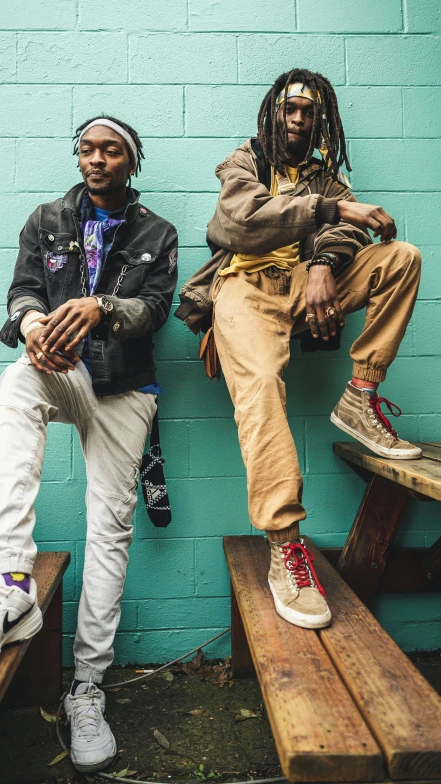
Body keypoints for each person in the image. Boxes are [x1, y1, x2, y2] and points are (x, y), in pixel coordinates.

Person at [0, 115, 178, 774]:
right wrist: (32, 321)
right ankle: (9, 588)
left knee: (110, 529)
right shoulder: (45, 220)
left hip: (126, 390)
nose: (97, 159)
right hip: (59, 369)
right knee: (15, 384)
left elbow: (153, 308)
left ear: (132, 160)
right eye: (88, 149)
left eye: (111, 149)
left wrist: (104, 309)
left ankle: (86, 687)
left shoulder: (158, 233)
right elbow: (22, 292)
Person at [175, 69, 421, 631]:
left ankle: (361, 394)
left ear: (322, 121)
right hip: (245, 290)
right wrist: (332, 211)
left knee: (401, 257)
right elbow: (240, 224)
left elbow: (349, 236)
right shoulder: (245, 163)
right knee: (260, 389)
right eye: (290, 109)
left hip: (304, 287)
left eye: (310, 113)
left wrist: (321, 264)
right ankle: (285, 546)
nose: (299, 120)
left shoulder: (324, 176)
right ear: (272, 112)